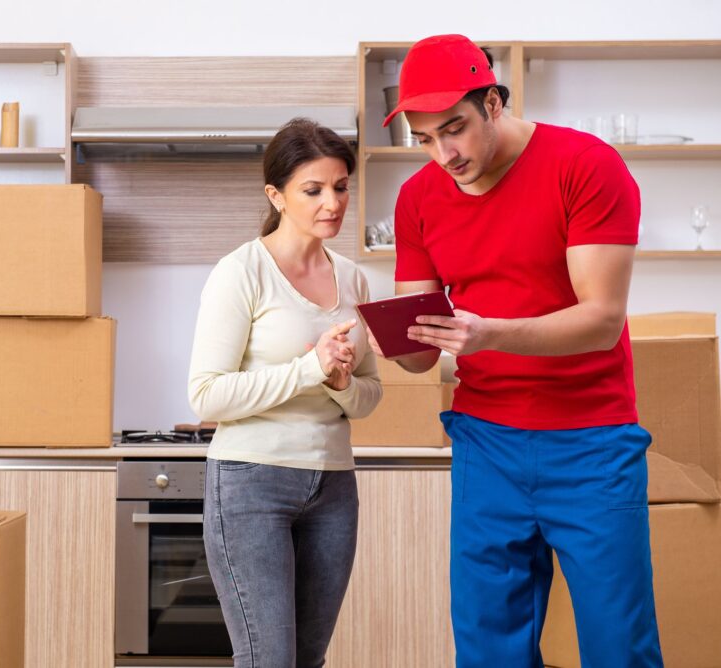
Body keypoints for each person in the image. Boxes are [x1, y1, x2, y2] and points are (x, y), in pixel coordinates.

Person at [374, 34, 663, 668]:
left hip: (591, 441)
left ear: (495, 103)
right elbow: (421, 356)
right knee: (487, 648)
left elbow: (602, 321)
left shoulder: (584, 165)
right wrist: (385, 339)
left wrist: (491, 333)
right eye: (425, 139)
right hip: (486, 444)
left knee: (619, 646)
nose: (444, 154)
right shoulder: (418, 198)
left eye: (455, 129)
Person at [188, 117, 382, 668]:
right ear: (276, 195)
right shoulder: (240, 272)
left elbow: (370, 393)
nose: (333, 203)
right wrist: (309, 369)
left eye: (341, 187)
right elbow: (206, 396)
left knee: (308, 659)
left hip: (334, 486)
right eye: (313, 190)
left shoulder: (354, 279)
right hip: (251, 482)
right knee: (268, 660)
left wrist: (343, 384)